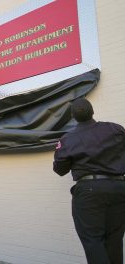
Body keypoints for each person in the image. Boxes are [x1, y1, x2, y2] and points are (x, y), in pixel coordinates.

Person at [53, 98, 125, 264]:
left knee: (93, 240)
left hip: (89, 192)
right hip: (119, 188)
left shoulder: (68, 139)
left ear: (73, 117)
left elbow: (60, 170)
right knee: (114, 239)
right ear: (92, 111)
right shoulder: (115, 129)